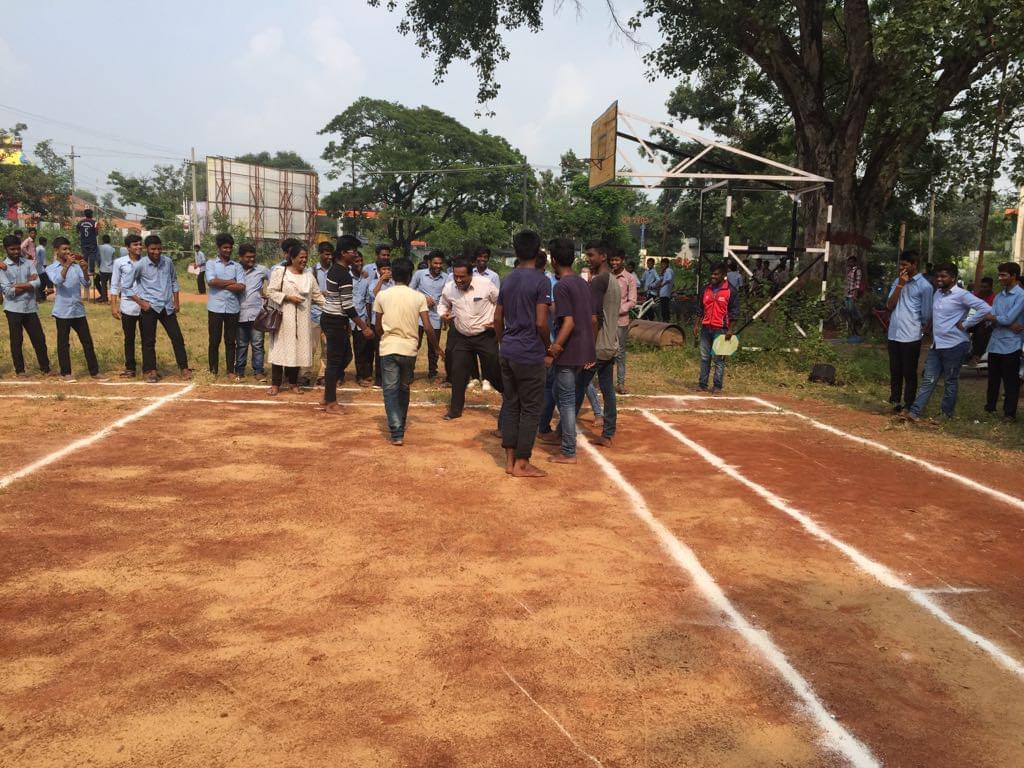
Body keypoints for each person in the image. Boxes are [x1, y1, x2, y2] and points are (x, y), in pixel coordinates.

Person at [903, 264, 992, 422]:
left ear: (953, 278)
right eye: (937, 276)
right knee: (928, 379)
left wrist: (966, 324)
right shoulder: (937, 293)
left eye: (943, 276)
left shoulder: (962, 294)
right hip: (937, 345)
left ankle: (945, 415)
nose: (939, 279)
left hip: (955, 345)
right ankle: (914, 412)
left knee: (950, 381)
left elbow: (984, 308)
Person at [494, 231, 551, 477]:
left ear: (515, 250)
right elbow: (541, 322)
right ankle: (522, 463)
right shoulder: (541, 281)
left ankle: (509, 460)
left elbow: (497, 317)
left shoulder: (507, 279)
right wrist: (549, 346)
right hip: (529, 353)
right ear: (538, 249)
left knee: (511, 403)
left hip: (507, 349)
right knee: (530, 409)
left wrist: (502, 341)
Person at [539, 237, 595, 464]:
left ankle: (569, 451)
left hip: (568, 351)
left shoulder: (561, 285)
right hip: (582, 349)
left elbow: (568, 323)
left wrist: (554, 348)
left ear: (553, 260)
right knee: (559, 393)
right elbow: (592, 319)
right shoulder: (583, 283)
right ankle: (561, 436)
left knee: (566, 401)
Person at [373, 257, 440, 445]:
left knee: (390, 390)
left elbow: (378, 326)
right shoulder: (418, 297)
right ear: (411, 276)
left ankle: (396, 431)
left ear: (392, 274)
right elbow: (427, 327)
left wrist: (385, 337)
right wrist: (436, 348)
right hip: (409, 349)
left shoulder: (382, 296)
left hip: (388, 347)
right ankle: (400, 422)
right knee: (404, 387)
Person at [438, 258, 502, 420]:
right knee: (458, 372)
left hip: (485, 336)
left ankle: (511, 399)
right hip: (462, 337)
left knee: (493, 372)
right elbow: (443, 304)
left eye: (462, 277)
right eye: (455, 276)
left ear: (470, 275)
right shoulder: (449, 288)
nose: (458, 280)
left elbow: (501, 302)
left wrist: (497, 321)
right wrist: (443, 314)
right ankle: (455, 410)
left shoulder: (486, 285)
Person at [320, 235, 375, 414]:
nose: (355, 255)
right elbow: (348, 306)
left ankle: (328, 395)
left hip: (335, 319)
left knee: (344, 357)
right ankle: (330, 402)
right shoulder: (343, 274)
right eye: (353, 252)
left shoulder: (337, 270)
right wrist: (364, 327)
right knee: (336, 361)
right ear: (343, 253)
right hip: (334, 320)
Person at [128, 235, 192, 383]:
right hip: (149, 308)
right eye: (153, 249)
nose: (156, 252)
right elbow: (125, 287)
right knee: (149, 341)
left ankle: (184, 368)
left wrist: (176, 302)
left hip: (167, 307)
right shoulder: (140, 265)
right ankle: (151, 371)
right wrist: (141, 303)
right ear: (146, 249)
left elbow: (174, 281)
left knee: (177, 338)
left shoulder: (167, 262)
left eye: (159, 249)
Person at [574, 241, 620, 447]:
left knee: (578, 387)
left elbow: (594, 318)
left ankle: (561, 431)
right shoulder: (612, 279)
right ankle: (608, 434)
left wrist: (588, 349)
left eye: (591, 255)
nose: (588, 259)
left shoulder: (600, 280)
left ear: (603, 257)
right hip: (610, 343)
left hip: (599, 346)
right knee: (607, 389)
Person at [266, 244, 324, 395]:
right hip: (284, 319)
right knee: (280, 350)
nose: (304, 260)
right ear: (292, 258)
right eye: (301, 257)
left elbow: (317, 296)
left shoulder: (309, 275)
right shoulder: (281, 272)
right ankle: (275, 384)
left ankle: (293, 383)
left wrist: (332, 308)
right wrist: (287, 297)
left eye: (306, 257)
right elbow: (270, 292)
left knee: (297, 351)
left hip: (303, 321)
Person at [46, 237, 106, 382]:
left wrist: (85, 270)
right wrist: (66, 265)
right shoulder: (51, 268)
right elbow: (58, 281)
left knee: (87, 341)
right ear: (56, 251)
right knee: (63, 343)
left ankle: (94, 372)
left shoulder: (76, 267)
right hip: (62, 311)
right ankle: (66, 373)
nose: (68, 251)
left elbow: (85, 283)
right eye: (64, 249)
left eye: (69, 248)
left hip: (78, 310)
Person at [886, 250, 934, 412]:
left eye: (905, 265)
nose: (902, 267)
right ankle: (895, 400)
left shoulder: (925, 286)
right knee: (895, 369)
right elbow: (889, 305)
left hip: (911, 335)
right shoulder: (897, 281)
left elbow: (926, 313)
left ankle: (909, 403)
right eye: (900, 264)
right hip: (893, 333)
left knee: (909, 371)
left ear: (914, 265)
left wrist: (922, 327)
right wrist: (900, 284)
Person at [1, 234, 51, 377]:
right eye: (12, 249)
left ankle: (45, 368)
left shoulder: (28, 263)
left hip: (30, 307)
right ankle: (20, 370)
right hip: (13, 309)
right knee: (17, 341)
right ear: (6, 249)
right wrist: (29, 284)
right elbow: (8, 292)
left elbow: (38, 283)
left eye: (18, 249)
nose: (16, 252)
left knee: (39, 339)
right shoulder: (2, 267)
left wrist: (19, 285)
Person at [984, 262, 1024, 421]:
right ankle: (990, 407)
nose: (1000, 278)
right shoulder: (999, 296)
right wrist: (1001, 320)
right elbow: (992, 320)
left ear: (1014, 276)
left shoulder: (1021, 296)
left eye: (1003, 275)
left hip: (1011, 344)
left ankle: (1009, 413)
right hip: (995, 343)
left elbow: (1006, 318)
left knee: (1010, 381)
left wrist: (997, 319)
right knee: (992, 379)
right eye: (999, 274)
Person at [205, 233, 246, 379]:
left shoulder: (237, 266)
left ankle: (230, 371)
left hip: (232, 308)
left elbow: (241, 287)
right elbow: (211, 282)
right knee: (214, 340)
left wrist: (220, 282)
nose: (228, 250)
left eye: (230, 247)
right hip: (215, 308)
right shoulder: (210, 264)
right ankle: (213, 370)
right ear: (219, 248)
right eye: (225, 248)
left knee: (230, 341)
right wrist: (231, 281)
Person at [695, 262, 739, 393]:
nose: (713, 276)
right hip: (706, 327)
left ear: (723, 275)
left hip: (721, 330)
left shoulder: (730, 291)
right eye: (712, 274)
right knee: (704, 357)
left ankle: (717, 386)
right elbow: (700, 309)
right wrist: (697, 325)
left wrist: (731, 329)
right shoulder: (705, 289)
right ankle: (702, 384)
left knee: (719, 359)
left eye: (716, 274)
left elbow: (734, 312)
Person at [110, 233, 144, 378]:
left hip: (145, 306)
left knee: (148, 338)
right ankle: (130, 368)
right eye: (135, 245)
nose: (139, 247)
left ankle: (149, 367)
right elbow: (115, 284)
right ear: (127, 247)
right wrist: (113, 306)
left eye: (140, 244)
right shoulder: (120, 263)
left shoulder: (146, 261)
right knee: (129, 338)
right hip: (128, 306)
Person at [410, 250, 447, 380]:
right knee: (415, 344)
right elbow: (409, 290)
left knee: (433, 346)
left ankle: (433, 372)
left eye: (440, 263)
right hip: (418, 316)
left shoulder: (446, 277)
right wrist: (423, 298)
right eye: (435, 263)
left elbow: (447, 297)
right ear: (429, 262)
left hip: (436, 317)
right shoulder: (419, 274)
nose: (438, 266)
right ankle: (409, 371)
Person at [235, 244, 269, 381]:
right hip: (239, 313)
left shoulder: (261, 270)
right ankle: (240, 371)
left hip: (257, 314)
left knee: (257, 344)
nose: (251, 260)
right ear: (241, 257)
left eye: (253, 257)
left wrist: (267, 294)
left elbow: (275, 279)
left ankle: (258, 371)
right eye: (248, 257)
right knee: (241, 344)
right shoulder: (235, 270)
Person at [610, 248, 637, 394]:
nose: (614, 263)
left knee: (620, 352)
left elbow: (632, 301)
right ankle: (605, 381)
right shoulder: (607, 276)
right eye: (612, 260)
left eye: (617, 260)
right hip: (606, 321)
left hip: (621, 321)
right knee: (605, 351)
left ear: (622, 261)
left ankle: (620, 383)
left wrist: (618, 309)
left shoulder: (629, 278)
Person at [308, 241, 334, 386]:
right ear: (320, 254)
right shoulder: (311, 271)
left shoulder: (335, 271)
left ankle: (323, 375)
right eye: (326, 254)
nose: (329, 257)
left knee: (327, 348)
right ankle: (305, 374)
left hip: (330, 314)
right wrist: (319, 294)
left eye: (331, 254)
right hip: (314, 314)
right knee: (310, 347)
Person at [350, 251, 375, 386]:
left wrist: (368, 321)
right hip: (347, 319)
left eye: (361, 261)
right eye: (356, 261)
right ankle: (339, 375)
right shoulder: (346, 277)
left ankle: (362, 375)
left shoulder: (366, 279)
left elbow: (367, 301)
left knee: (361, 348)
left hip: (361, 318)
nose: (359, 264)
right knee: (343, 349)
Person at [969, 276, 996, 362]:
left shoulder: (995, 298)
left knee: (981, 331)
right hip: (973, 320)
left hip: (988, 323)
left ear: (990, 288)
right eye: (981, 286)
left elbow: (992, 315)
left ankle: (977, 355)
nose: (982, 289)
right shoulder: (976, 296)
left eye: (985, 287)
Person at [843, 255, 864, 340]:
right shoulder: (849, 271)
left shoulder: (857, 271)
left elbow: (857, 284)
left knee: (852, 313)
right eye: (849, 261)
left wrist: (855, 295)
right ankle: (850, 330)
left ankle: (857, 327)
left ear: (854, 262)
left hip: (852, 295)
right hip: (846, 294)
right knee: (848, 312)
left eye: (851, 262)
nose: (849, 263)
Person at [76, 209, 100, 277]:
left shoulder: (80, 222)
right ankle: (91, 271)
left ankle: (83, 270)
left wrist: (82, 234)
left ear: (85, 214)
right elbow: (96, 232)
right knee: (92, 255)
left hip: (83, 242)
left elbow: (77, 231)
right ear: (91, 214)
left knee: (84, 256)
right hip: (92, 242)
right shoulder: (94, 222)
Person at [96, 234, 115, 303]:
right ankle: (113, 299)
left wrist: (98, 265)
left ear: (103, 240)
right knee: (112, 285)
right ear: (109, 240)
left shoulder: (99, 247)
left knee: (103, 285)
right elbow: (113, 260)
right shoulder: (112, 249)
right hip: (111, 269)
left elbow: (98, 258)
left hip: (102, 269)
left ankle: (104, 298)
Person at [655, 257, 674, 322]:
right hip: (663, 292)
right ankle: (665, 320)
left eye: (664, 264)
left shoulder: (669, 270)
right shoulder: (665, 271)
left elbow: (669, 279)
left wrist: (662, 284)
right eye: (662, 264)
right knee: (663, 307)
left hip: (665, 292)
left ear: (667, 264)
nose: (662, 265)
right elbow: (661, 279)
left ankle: (666, 320)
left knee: (665, 307)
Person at [34, 236, 50, 301]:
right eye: (46, 242)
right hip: (42, 267)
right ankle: (42, 296)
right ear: (44, 242)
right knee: (45, 281)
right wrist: (45, 266)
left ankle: (41, 296)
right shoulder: (42, 249)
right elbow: (43, 260)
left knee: (41, 282)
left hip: (37, 267)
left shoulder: (37, 248)